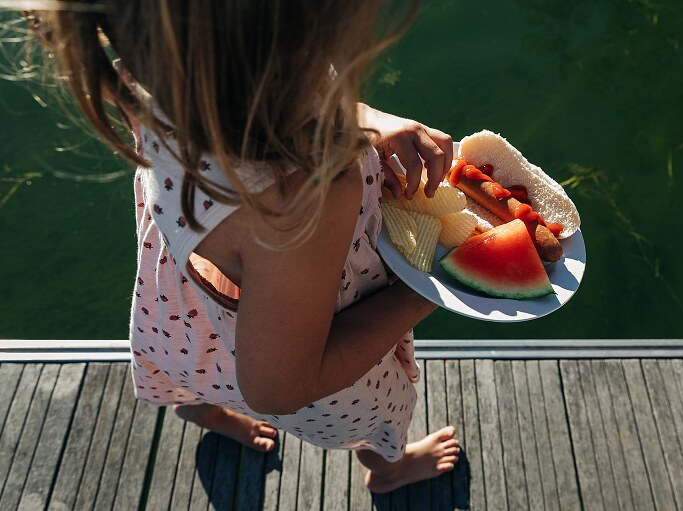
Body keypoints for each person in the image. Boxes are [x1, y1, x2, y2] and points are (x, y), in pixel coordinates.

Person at [20, 1, 460, 493]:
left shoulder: (151, 76)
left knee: (188, 383)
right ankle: (389, 473)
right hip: (320, 362)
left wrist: (365, 119)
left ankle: (209, 413)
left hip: (179, 319)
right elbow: (281, 387)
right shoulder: (307, 191)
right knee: (381, 424)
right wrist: (432, 287)